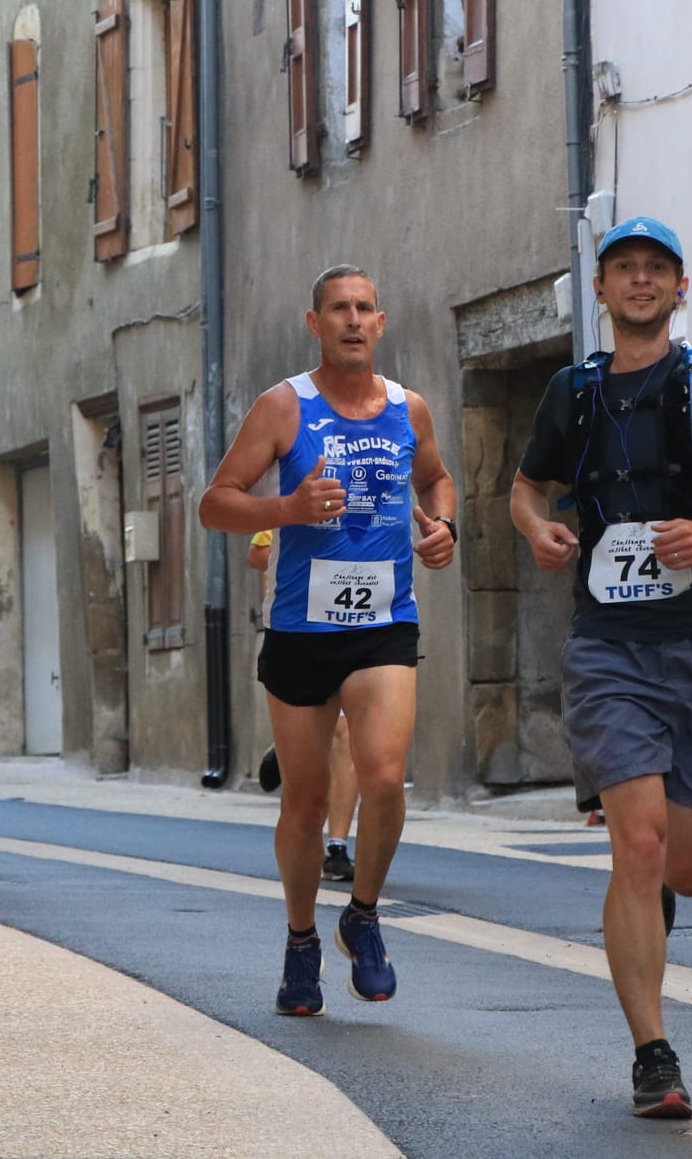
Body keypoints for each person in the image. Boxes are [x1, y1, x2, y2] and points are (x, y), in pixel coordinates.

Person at [510, 217, 692, 1119]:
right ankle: (653, 1053)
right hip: (608, 646)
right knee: (634, 847)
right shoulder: (572, 391)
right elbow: (524, 488)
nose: (639, 281)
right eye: (623, 269)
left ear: (680, 288)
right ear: (599, 291)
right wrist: (540, 528)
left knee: (685, 867)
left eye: (656, 270)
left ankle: (652, 911)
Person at [200, 265, 456, 1017]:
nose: (352, 320)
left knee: (382, 777)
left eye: (364, 309)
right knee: (305, 805)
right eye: (337, 309)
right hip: (301, 630)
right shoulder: (285, 407)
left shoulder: (410, 409)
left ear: (381, 322)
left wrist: (442, 527)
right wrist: (286, 505)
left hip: (384, 622)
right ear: (314, 323)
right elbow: (217, 503)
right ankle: (302, 937)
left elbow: (437, 481)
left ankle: (364, 913)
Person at [250, 530, 360, 884]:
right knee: (319, 757)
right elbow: (257, 552)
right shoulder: (307, 486)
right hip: (302, 627)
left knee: (347, 735)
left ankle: (338, 846)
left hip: (363, 629)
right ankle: (291, 745)